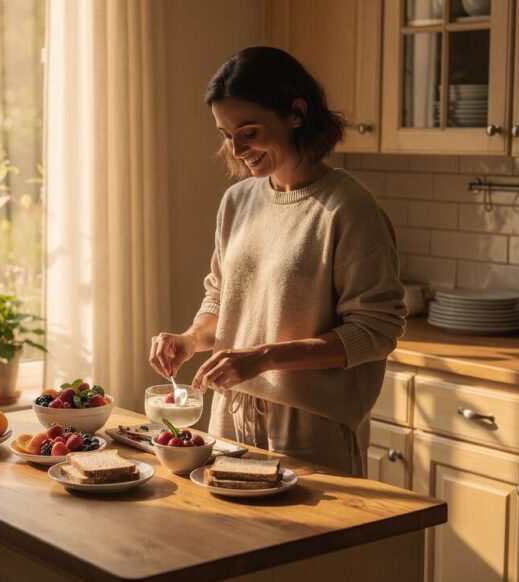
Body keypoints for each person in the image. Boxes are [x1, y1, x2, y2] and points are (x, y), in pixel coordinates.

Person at [148, 46, 406, 476]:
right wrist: (190, 338)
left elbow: (375, 332)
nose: (235, 147)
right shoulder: (238, 201)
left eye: (248, 131)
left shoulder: (348, 208)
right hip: (230, 416)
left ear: (296, 114)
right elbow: (222, 299)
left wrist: (265, 357)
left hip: (311, 429)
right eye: (226, 134)